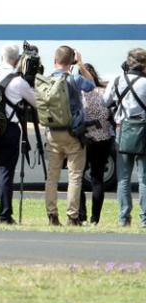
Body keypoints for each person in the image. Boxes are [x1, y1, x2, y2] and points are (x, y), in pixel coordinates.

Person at [43, 45, 95, 226]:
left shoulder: (46, 80)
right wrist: (80, 64)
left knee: (52, 176)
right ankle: (72, 216)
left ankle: (52, 214)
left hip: (53, 132)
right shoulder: (74, 78)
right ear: (71, 61)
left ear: (54, 60)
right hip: (73, 133)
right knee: (74, 175)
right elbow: (92, 85)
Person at [0, 44, 37, 224]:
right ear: (17, 60)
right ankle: (5, 214)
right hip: (10, 129)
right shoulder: (19, 81)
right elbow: (37, 102)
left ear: (1, 57)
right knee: (6, 172)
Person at [105, 48, 146, 226]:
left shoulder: (117, 80)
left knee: (123, 178)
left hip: (123, 129)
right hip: (144, 130)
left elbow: (105, 102)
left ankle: (124, 218)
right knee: (144, 178)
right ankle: (145, 219)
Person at [78, 64, 114, 226]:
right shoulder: (102, 92)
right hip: (103, 139)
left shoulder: (77, 94)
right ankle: (95, 219)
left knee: (77, 177)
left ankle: (82, 215)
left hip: (84, 139)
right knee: (97, 179)